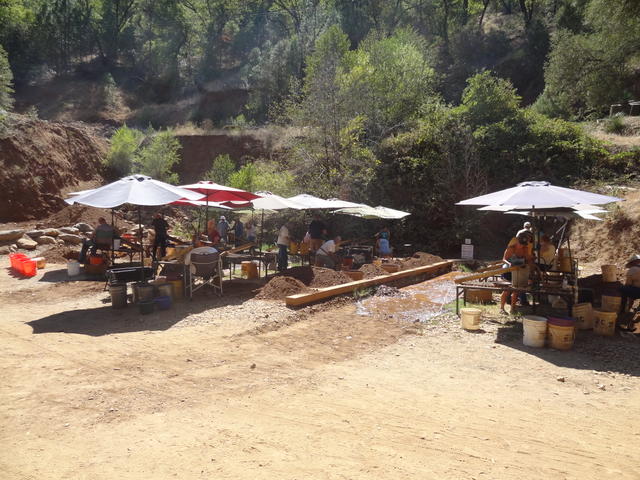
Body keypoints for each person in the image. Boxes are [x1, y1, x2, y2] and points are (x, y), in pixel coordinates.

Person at [500, 231, 534, 314]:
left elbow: (528, 259)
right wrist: (509, 264)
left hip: (517, 271)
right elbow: (504, 259)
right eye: (521, 244)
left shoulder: (525, 248)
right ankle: (502, 308)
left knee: (516, 290)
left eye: (524, 244)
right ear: (518, 241)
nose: (522, 246)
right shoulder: (511, 248)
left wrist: (530, 261)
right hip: (508, 270)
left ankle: (512, 309)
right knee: (507, 290)